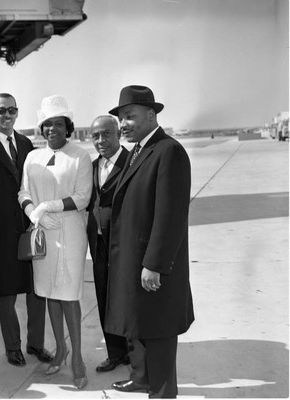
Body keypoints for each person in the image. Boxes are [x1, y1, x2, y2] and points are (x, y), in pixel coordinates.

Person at [105, 85, 195, 398]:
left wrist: (154, 264)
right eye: (121, 118)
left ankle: (163, 392)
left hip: (151, 263)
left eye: (129, 116)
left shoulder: (168, 151)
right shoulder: (137, 151)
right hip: (132, 259)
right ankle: (141, 377)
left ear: (151, 114)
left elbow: (170, 216)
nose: (123, 124)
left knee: (159, 329)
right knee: (138, 325)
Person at [0, 93, 53, 367]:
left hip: (27, 229)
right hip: (0, 234)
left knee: (36, 291)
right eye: (1, 111)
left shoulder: (27, 144)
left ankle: (36, 344)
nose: (7, 116)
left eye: (12, 111)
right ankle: (12, 347)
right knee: (6, 294)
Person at [18, 95, 92, 389]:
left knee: (69, 294)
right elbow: (23, 191)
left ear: (68, 126)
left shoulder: (80, 156)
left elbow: (83, 196)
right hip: (42, 232)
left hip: (70, 231)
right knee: (49, 292)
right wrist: (32, 212)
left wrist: (48, 207)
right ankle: (60, 350)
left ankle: (77, 358)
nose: (52, 129)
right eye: (47, 124)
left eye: (58, 124)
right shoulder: (32, 157)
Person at [86, 115, 130, 373]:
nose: (101, 140)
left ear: (118, 134)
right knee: (104, 297)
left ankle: (135, 353)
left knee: (126, 299)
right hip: (99, 244)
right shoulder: (92, 166)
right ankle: (116, 353)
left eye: (106, 134)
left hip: (124, 244)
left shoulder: (132, 163)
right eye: (95, 136)